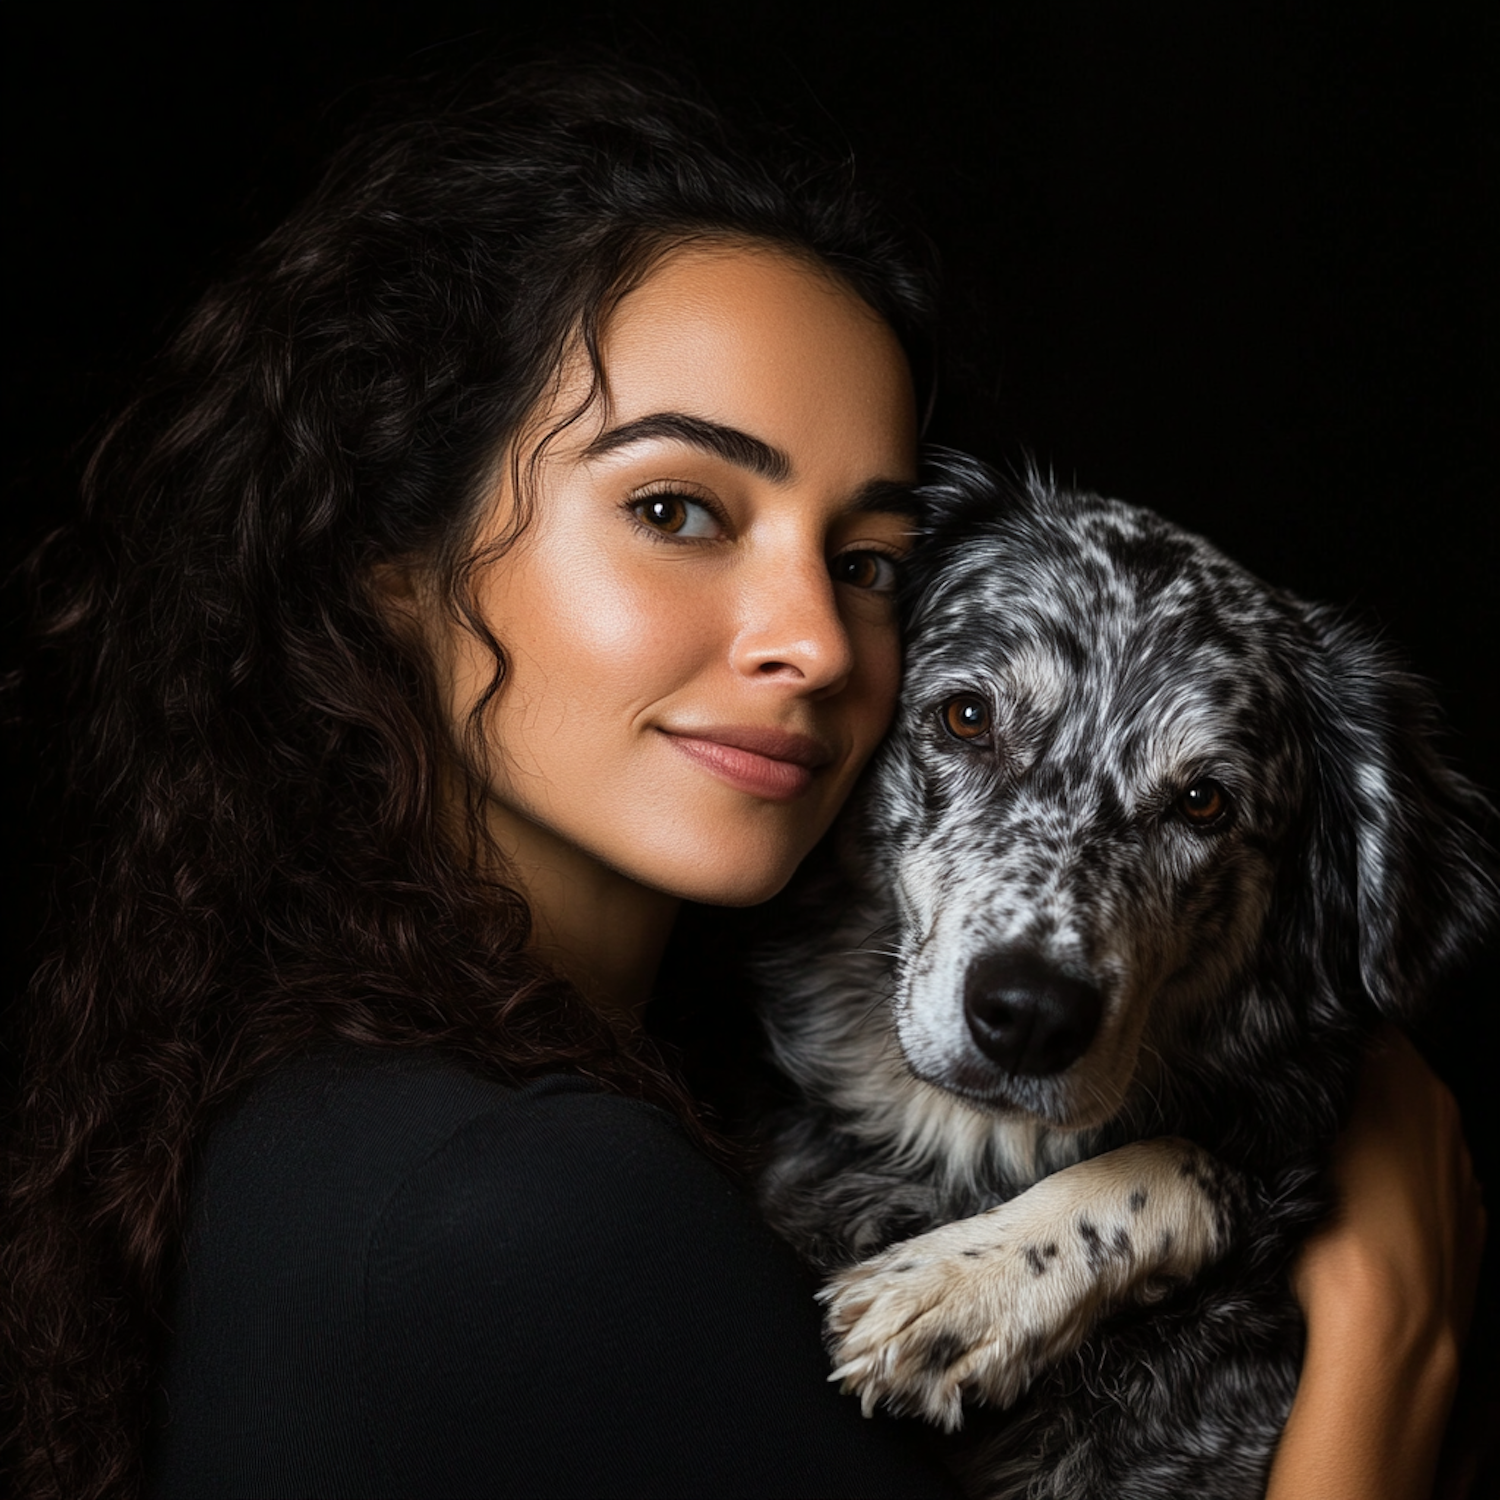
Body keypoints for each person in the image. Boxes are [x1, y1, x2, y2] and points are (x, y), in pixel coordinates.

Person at [1, 62, 1483, 1500]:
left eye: (868, 565)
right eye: (675, 507)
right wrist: (1386, 1363)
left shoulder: (429, 1108)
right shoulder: (523, 1197)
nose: (819, 642)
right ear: (392, 556)